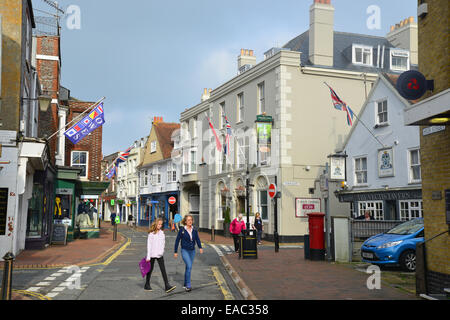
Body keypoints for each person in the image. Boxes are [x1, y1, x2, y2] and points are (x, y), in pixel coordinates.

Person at [145, 218, 176, 293]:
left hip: (159, 254)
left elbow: (163, 244)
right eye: (159, 224)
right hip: (152, 254)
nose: (160, 225)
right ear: (156, 224)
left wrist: (162, 252)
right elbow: (149, 245)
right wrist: (148, 256)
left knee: (163, 270)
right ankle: (147, 284)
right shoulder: (151, 234)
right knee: (150, 270)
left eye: (161, 224)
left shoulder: (162, 233)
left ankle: (167, 285)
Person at [174, 215, 203, 292]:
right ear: (185, 221)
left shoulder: (194, 230)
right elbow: (177, 241)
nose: (190, 221)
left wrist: (200, 247)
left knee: (188, 267)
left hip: (192, 251)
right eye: (188, 220)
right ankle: (188, 285)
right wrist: (175, 251)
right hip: (184, 250)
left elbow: (197, 239)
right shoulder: (182, 230)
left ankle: (185, 282)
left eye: (191, 220)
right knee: (189, 266)